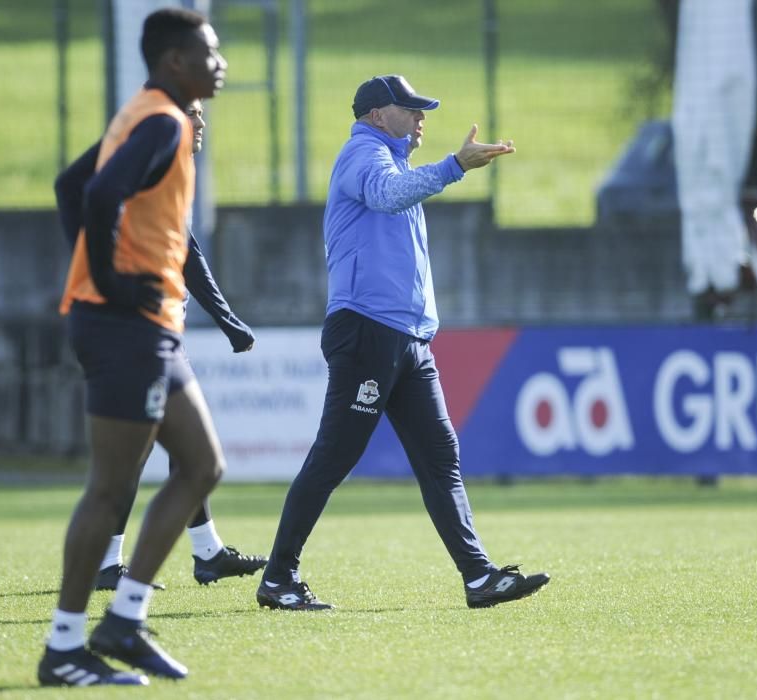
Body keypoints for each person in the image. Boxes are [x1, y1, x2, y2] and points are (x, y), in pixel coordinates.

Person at [255, 75, 550, 612]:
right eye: (409, 108)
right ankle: (278, 579)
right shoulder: (361, 155)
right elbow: (386, 196)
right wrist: (454, 166)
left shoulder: (394, 162)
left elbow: (397, 200)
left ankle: (479, 577)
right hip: (367, 332)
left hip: (407, 340)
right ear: (374, 115)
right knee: (334, 457)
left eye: (422, 109)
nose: (421, 117)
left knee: (442, 458)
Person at [38, 8, 228, 687]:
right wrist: (112, 286)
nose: (221, 62)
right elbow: (98, 195)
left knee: (202, 465)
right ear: (174, 61)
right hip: (126, 327)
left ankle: (123, 621)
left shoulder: (150, 114)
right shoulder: (162, 121)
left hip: (142, 326)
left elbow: (70, 188)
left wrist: (96, 278)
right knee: (110, 489)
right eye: (208, 52)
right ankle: (64, 648)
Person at [55, 99, 267, 592]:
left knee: (191, 455)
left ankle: (206, 553)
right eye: (196, 110)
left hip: (159, 329)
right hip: (133, 329)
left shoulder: (170, 155)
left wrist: (226, 319)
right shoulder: (153, 136)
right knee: (139, 457)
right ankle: (103, 581)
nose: (202, 121)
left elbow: (186, 250)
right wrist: (103, 281)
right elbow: (76, 190)